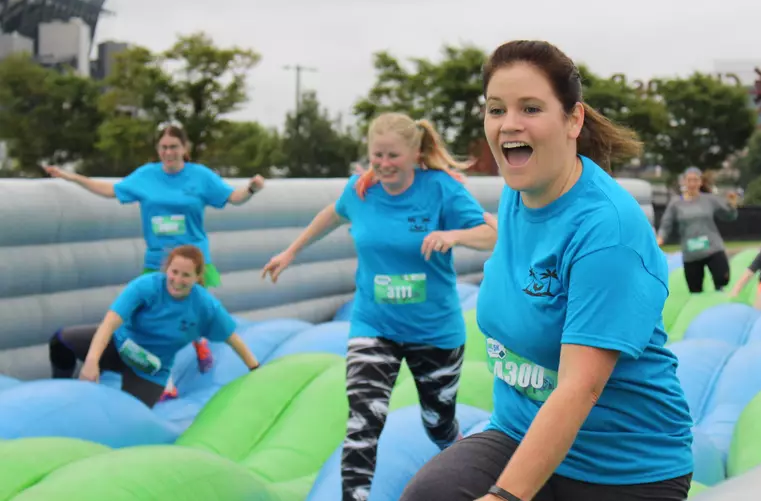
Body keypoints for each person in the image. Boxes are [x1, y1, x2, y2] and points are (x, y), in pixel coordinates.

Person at [400, 40, 694, 501]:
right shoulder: (518, 193)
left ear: (573, 119)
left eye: (531, 108)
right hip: (519, 430)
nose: (509, 124)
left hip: (623, 466)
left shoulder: (606, 229)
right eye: (496, 110)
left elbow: (579, 387)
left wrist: (503, 497)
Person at [260, 111, 497, 501]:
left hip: (434, 329)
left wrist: (452, 235)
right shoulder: (361, 190)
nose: (383, 165)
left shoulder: (441, 189)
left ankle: (470, 477)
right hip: (375, 325)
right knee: (363, 422)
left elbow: (491, 234)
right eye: (377, 157)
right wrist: (291, 252)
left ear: (415, 152)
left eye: (392, 156)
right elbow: (331, 215)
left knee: (438, 424)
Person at [44, 124, 265, 401]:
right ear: (158, 150)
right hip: (160, 261)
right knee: (152, 318)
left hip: (192, 261)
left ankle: (199, 342)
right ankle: (170, 370)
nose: (168, 152)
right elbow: (110, 190)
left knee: (187, 311)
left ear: (185, 149)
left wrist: (251, 189)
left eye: (174, 147)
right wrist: (71, 177)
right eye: (163, 147)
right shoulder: (146, 176)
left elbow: (232, 197)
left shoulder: (200, 177)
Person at [48, 245, 260, 408]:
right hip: (118, 346)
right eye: (174, 271)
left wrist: (255, 370)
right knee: (60, 341)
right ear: (167, 269)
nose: (177, 280)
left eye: (186, 275)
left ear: (197, 278)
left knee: (125, 417)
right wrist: (92, 362)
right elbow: (108, 324)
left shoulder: (205, 306)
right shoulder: (147, 286)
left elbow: (233, 338)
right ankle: (59, 386)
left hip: (149, 370)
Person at [657, 167, 739, 294]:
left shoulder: (709, 199)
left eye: (695, 180)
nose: (692, 184)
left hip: (712, 248)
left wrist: (732, 206)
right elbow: (666, 223)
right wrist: (661, 237)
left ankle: (719, 299)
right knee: (695, 290)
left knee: (722, 279)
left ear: (700, 182)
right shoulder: (676, 203)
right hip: (691, 252)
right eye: (689, 180)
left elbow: (728, 216)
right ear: (684, 182)